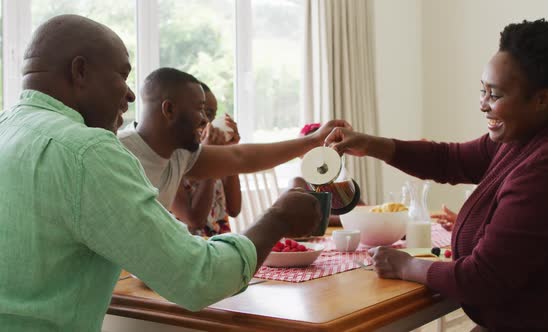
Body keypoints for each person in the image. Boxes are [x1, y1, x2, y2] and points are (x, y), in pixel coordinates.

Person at [0, 15, 325, 331]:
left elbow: (238, 157)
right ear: (80, 71)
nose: (129, 94)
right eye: (122, 75)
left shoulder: (7, 130)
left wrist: (310, 142)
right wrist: (278, 218)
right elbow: (197, 278)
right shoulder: (89, 152)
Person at [325, 19, 548, 330]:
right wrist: (370, 144)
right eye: (483, 90)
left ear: (543, 99)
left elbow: (483, 279)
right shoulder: (532, 134)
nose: (483, 105)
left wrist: (407, 265)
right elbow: (449, 160)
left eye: (496, 95)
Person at [118, 67, 349, 214]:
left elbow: (241, 157)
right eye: (199, 109)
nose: (204, 120)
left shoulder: (179, 153)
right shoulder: (119, 151)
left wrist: (316, 139)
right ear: (168, 110)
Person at [170, 83, 242, 235]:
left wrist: (229, 151)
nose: (207, 122)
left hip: (218, 247)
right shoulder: (171, 159)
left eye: (213, 115)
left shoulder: (215, 153)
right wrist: (208, 155)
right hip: (190, 250)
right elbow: (195, 220)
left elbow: (234, 208)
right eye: (205, 112)